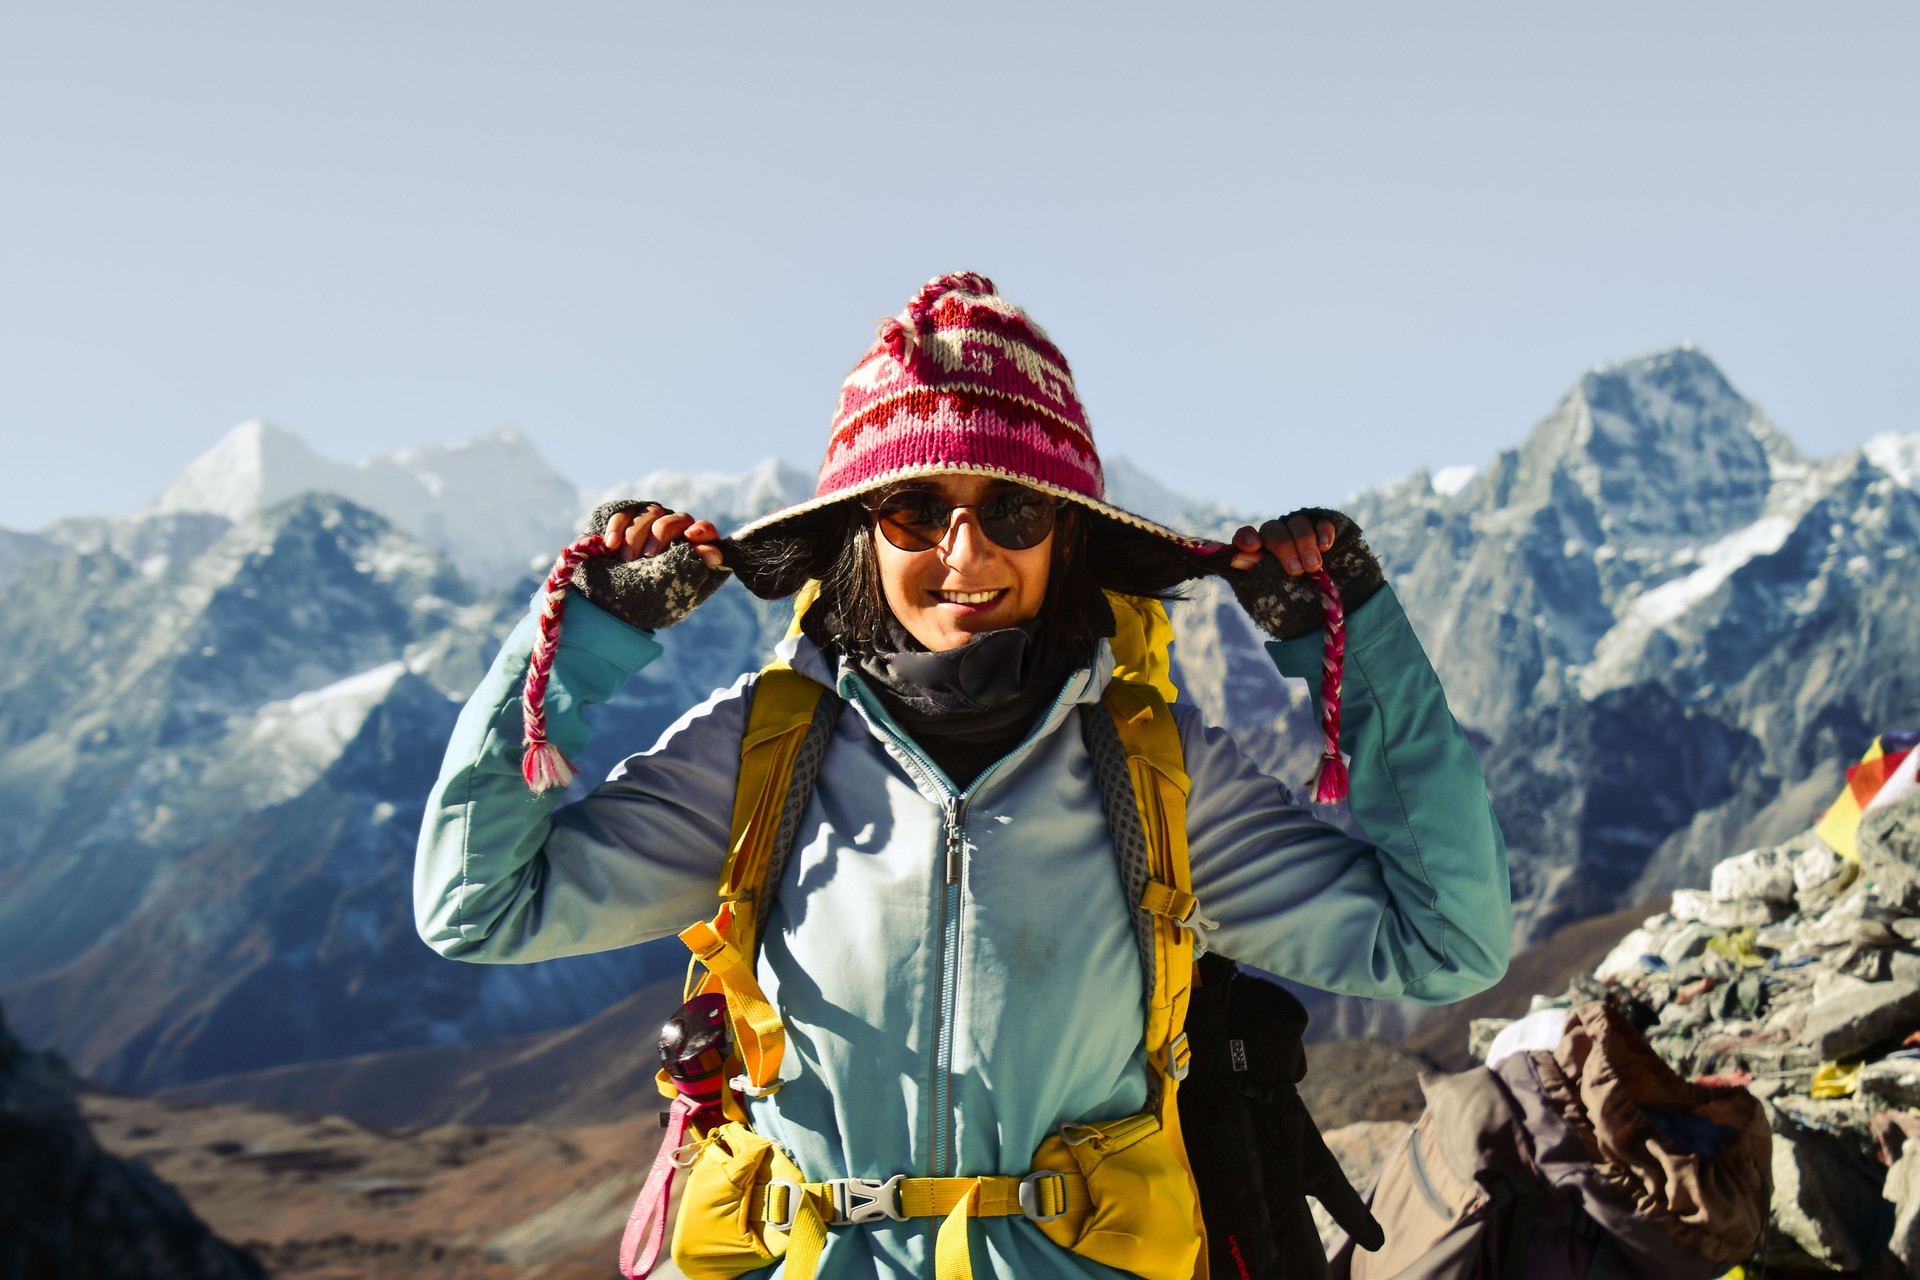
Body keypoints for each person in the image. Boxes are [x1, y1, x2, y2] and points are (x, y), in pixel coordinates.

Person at [414, 272, 1511, 1280]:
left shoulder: (1156, 773)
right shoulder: (765, 751)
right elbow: (474, 903)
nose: (965, 551)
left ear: (1067, 538)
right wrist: (584, 633)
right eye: (915, 508)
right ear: (860, 532)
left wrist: (1351, 643)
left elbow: (1446, 939)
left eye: (1015, 511)